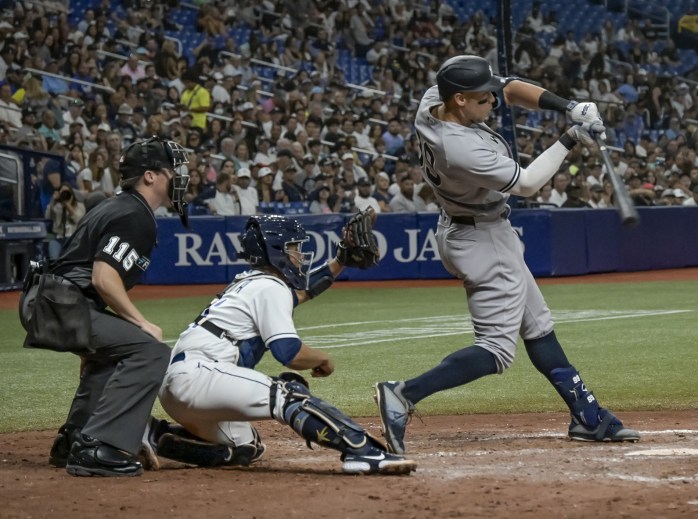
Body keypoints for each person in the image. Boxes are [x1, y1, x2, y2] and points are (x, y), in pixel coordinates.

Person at [373, 55, 639, 455]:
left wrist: (567, 105)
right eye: (484, 99)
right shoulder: (458, 147)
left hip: (475, 227)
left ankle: (587, 416)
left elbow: (511, 87)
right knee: (496, 350)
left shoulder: (436, 98)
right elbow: (529, 183)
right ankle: (403, 393)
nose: (494, 103)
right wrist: (569, 138)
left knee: (538, 326)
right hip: (480, 238)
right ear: (461, 100)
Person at [140, 214, 415, 475]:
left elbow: (303, 292)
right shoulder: (270, 286)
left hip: (185, 385)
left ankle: (154, 435)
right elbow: (289, 353)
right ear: (275, 250)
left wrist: (339, 261)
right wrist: (323, 359)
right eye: (293, 247)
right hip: (199, 377)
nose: (298, 254)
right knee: (289, 393)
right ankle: (363, 452)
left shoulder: (255, 282)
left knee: (244, 447)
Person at [21, 137, 190, 476]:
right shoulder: (135, 214)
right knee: (150, 350)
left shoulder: (121, 205)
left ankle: (74, 440)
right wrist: (141, 322)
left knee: (116, 352)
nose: (179, 179)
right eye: (172, 171)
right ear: (150, 176)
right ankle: (101, 446)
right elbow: (103, 277)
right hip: (62, 302)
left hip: (56, 299)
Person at [44, 184, 86, 258]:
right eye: (62, 192)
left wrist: (68, 205)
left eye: (67, 192)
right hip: (58, 237)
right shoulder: (56, 206)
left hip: (73, 238)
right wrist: (52, 201)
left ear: (72, 194)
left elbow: (78, 219)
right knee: (53, 259)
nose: (65, 194)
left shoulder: (79, 206)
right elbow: (48, 217)